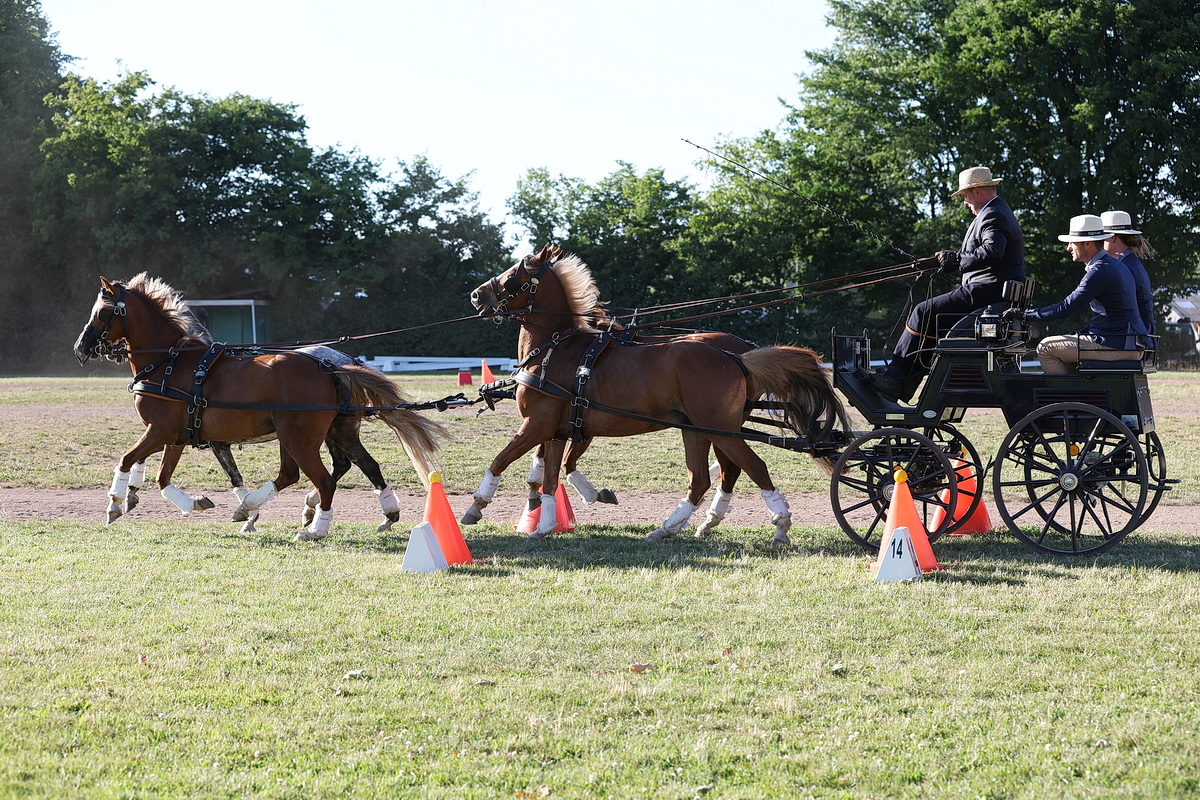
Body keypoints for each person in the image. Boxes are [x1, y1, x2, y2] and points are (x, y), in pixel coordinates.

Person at [868, 166, 1025, 402]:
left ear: (978, 191)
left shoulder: (994, 214)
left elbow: (993, 251)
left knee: (923, 311)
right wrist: (945, 261)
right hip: (988, 292)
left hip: (985, 293)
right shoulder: (996, 211)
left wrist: (957, 260)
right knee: (931, 318)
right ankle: (904, 382)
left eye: (965, 196)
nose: (965, 202)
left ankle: (896, 378)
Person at [1004, 214, 1147, 374]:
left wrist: (1024, 315)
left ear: (1087, 243)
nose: (1068, 248)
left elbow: (1065, 308)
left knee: (1046, 347)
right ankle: (1075, 394)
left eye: (1072, 242)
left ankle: (1061, 398)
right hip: (1128, 343)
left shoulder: (1099, 271)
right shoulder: (1113, 265)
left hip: (1118, 345)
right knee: (1066, 344)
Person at [1101, 210, 1156, 336]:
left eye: (1101, 237)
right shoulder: (1130, 263)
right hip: (1139, 336)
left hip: (1133, 338)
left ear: (1112, 237)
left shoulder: (1124, 268)